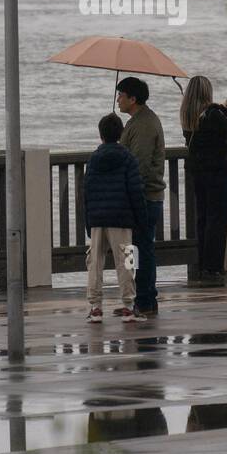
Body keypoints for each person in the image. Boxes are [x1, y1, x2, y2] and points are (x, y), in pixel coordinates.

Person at [82, 113, 148, 324]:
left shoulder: (93, 159)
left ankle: (95, 307)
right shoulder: (128, 158)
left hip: (98, 218)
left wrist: (88, 221)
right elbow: (135, 191)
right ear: (121, 133)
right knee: (127, 261)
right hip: (122, 217)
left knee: (95, 262)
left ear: (101, 135)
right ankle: (128, 306)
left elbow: (87, 192)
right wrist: (141, 218)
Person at [180, 75, 227, 285]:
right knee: (217, 221)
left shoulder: (189, 114)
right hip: (217, 173)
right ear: (206, 92)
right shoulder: (213, 114)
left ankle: (202, 266)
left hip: (197, 174)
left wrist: (222, 109)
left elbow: (212, 125)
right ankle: (213, 268)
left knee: (204, 219)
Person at [116, 76, 165, 317]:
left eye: (121, 95)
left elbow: (139, 166)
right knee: (136, 249)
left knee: (141, 250)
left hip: (144, 198)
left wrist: (128, 194)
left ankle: (144, 300)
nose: (118, 100)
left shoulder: (144, 125)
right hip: (142, 197)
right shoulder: (137, 121)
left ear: (132, 99)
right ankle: (138, 299)